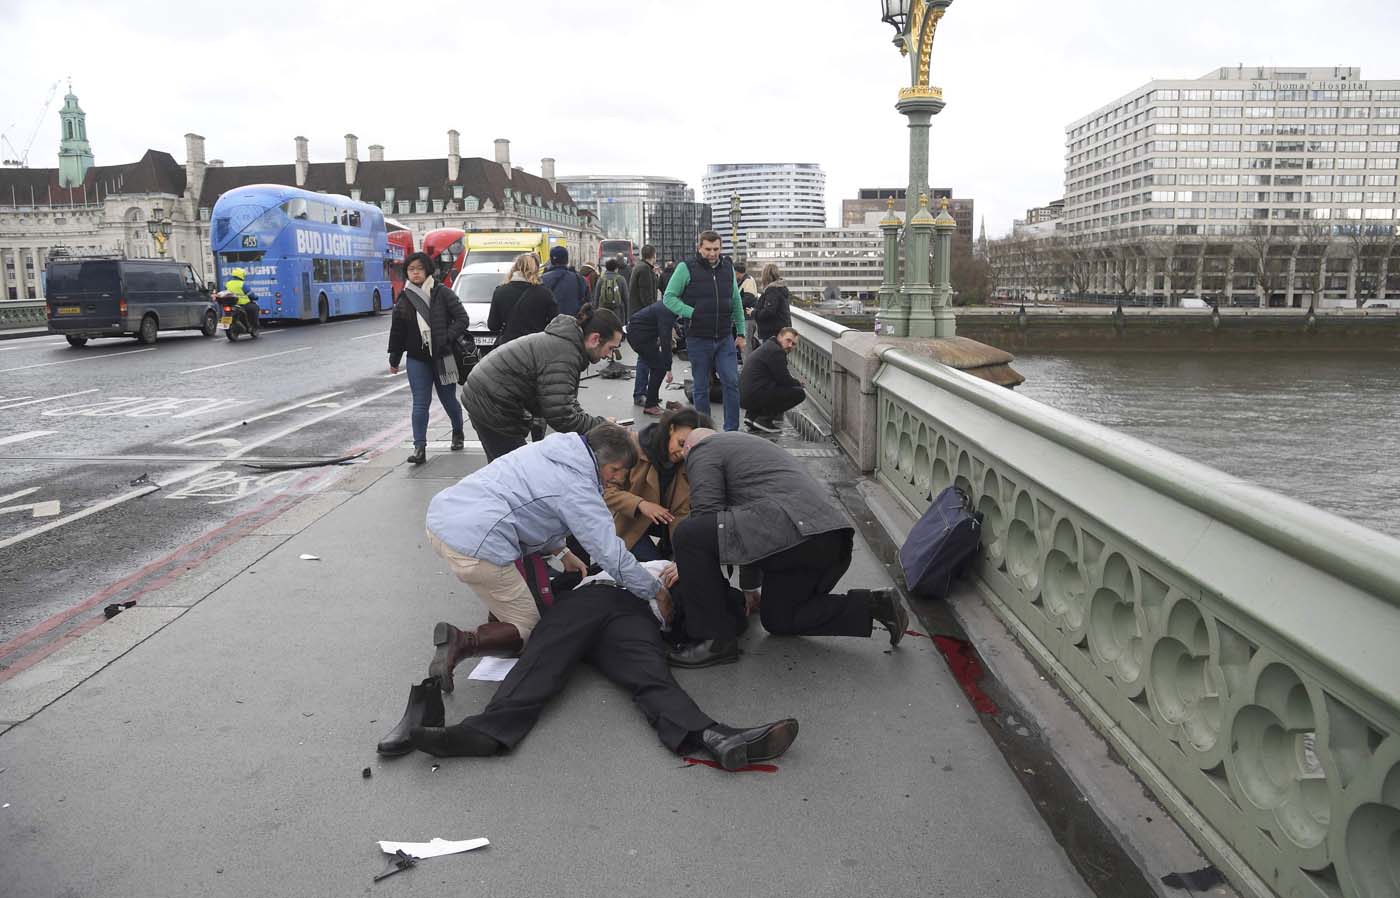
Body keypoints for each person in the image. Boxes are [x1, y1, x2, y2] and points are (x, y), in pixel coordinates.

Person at [408, 577, 799, 769]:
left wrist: (743, 608)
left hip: (636, 618)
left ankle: (712, 735)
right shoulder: (661, 563)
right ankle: (485, 732)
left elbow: (719, 620)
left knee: (651, 676)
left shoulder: (719, 601)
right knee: (544, 659)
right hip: (595, 596)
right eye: (749, 600)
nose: (749, 605)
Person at [423, 424, 672, 693]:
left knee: (508, 592)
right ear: (601, 460)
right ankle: (462, 642)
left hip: (443, 518)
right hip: (477, 543)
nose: (618, 479)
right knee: (530, 631)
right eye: (615, 470)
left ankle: (498, 622)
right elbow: (611, 554)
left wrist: (562, 551)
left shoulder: (556, 450)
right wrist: (655, 591)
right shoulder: (578, 487)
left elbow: (533, 503)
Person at [666, 429, 909, 668]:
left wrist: (688, 565)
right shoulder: (749, 451)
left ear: (690, 448)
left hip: (794, 532)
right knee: (779, 619)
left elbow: (706, 514)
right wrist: (750, 588)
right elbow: (743, 529)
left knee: (689, 534)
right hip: (825, 540)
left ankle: (714, 640)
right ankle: (874, 604)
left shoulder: (703, 448)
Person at [460, 306, 624, 462]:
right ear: (595, 339)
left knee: (509, 468)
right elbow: (562, 417)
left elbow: (565, 402)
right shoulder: (565, 353)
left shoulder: (567, 345)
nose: (609, 355)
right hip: (490, 403)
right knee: (516, 472)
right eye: (611, 348)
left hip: (489, 396)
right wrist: (602, 425)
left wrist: (598, 424)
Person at [387, 252, 470, 464]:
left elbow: (462, 319)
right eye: (411, 269)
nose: (415, 273)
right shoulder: (405, 296)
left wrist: (446, 338)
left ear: (427, 270)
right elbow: (398, 331)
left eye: (419, 269)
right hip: (417, 358)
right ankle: (419, 448)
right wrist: (394, 359)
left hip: (444, 355)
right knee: (420, 403)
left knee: (448, 399)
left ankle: (458, 431)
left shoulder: (442, 292)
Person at [662, 230, 746, 432]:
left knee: (732, 382)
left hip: (724, 337)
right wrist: (692, 312)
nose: (712, 253)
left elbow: (736, 301)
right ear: (699, 247)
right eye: (708, 249)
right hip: (698, 338)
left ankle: (731, 431)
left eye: (716, 249)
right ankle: (704, 431)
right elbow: (669, 298)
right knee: (701, 388)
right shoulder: (686, 268)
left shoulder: (727, 267)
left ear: (721, 247)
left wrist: (741, 332)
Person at [606, 407, 711, 562]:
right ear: (671, 429)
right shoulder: (632, 447)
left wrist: (681, 558)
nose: (683, 453)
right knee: (654, 569)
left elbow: (683, 514)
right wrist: (641, 504)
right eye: (681, 443)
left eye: (690, 448)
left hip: (666, 525)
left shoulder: (690, 462)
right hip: (627, 522)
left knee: (676, 569)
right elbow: (605, 491)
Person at [740, 327, 805, 434]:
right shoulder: (776, 352)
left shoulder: (768, 346)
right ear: (780, 337)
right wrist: (798, 384)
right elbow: (784, 379)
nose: (790, 345)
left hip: (745, 396)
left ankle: (751, 417)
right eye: (788, 340)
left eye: (793, 344)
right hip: (754, 395)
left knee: (770, 386)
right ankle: (764, 419)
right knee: (799, 393)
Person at [487, 253, 558, 347]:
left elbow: (493, 325)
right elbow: (554, 323)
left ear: (515, 268)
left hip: (508, 347)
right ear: (535, 270)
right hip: (535, 346)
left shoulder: (500, 291)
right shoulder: (545, 293)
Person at [625, 299, 676, 416]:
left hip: (641, 334)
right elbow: (665, 340)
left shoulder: (665, 305)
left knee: (652, 363)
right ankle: (651, 405)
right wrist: (668, 368)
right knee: (660, 367)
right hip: (640, 337)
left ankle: (650, 397)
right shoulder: (666, 312)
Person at [628, 246, 660, 405]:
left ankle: (644, 391)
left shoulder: (639, 267)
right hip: (644, 321)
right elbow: (647, 297)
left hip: (637, 317)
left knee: (645, 357)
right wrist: (655, 314)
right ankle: (640, 393)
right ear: (653, 255)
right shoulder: (645, 271)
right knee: (645, 358)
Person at [540, 246, 590, 317]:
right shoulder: (579, 278)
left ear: (551, 260)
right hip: (574, 322)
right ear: (567, 260)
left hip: (551, 324)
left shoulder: (543, 279)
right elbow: (587, 302)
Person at [752, 262, 792, 345]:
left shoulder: (772, 290)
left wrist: (753, 312)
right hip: (782, 330)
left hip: (772, 332)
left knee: (769, 355)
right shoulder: (781, 288)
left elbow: (769, 311)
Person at [223, 267, 260, 335]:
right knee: (254, 308)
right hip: (243, 304)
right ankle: (254, 326)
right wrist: (256, 297)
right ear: (241, 275)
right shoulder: (242, 284)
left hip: (231, 304)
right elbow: (250, 294)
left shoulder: (227, 284)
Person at [734, 262, 760, 360]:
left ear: (737, 272)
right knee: (746, 343)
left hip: (747, 318)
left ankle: (746, 368)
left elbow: (748, 299)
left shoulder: (747, 281)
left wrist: (735, 306)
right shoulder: (746, 280)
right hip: (746, 317)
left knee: (745, 344)